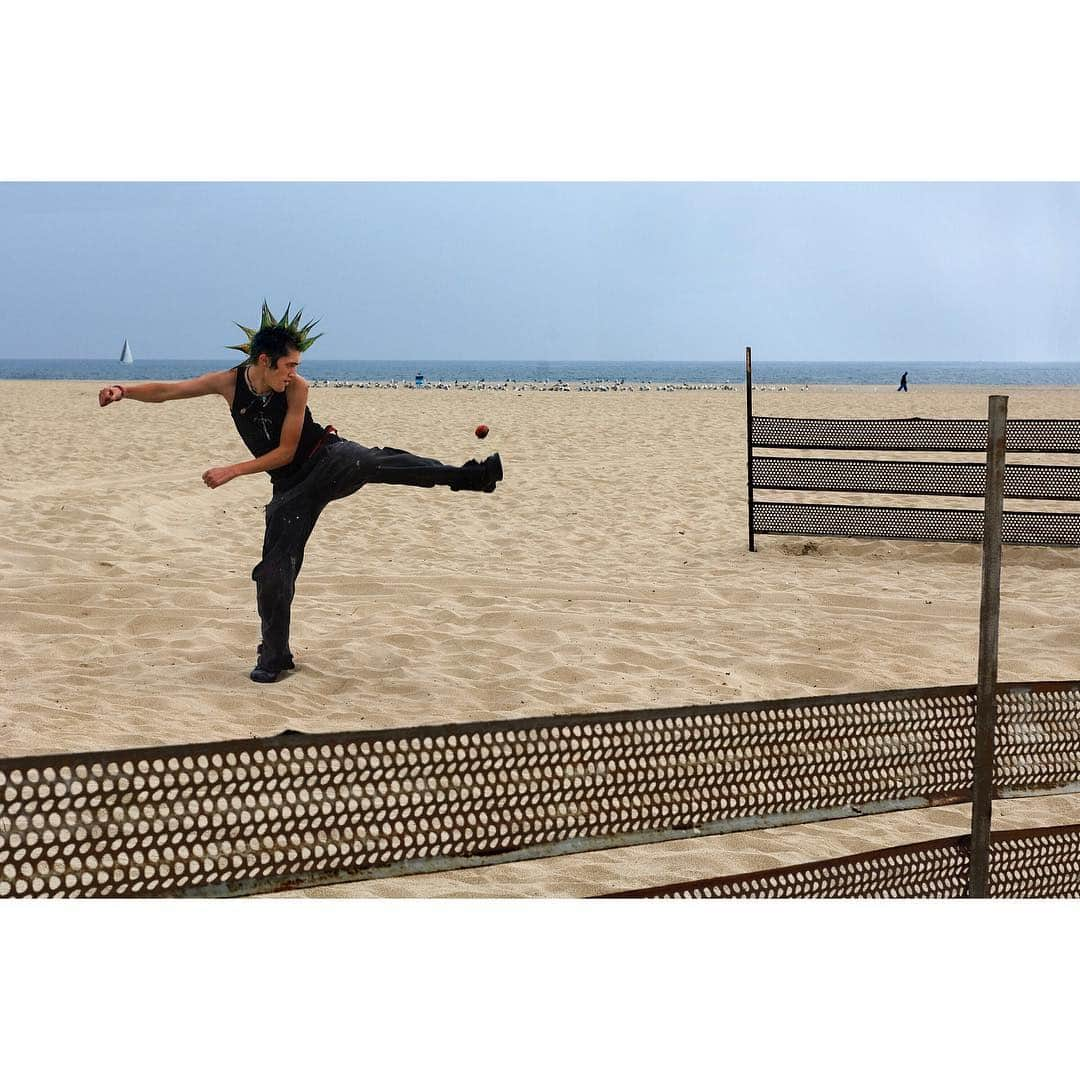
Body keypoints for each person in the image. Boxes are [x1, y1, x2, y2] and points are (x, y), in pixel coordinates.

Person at [98, 302, 503, 683]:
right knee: (274, 571)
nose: (293, 372)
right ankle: (275, 656)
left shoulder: (297, 388)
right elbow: (170, 391)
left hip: (326, 459)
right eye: (287, 365)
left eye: (296, 365)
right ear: (263, 361)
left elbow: (287, 450)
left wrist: (233, 470)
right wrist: (124, 390)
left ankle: (469, 476)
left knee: (374, 461)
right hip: (290, 490)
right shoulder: (227, 383)